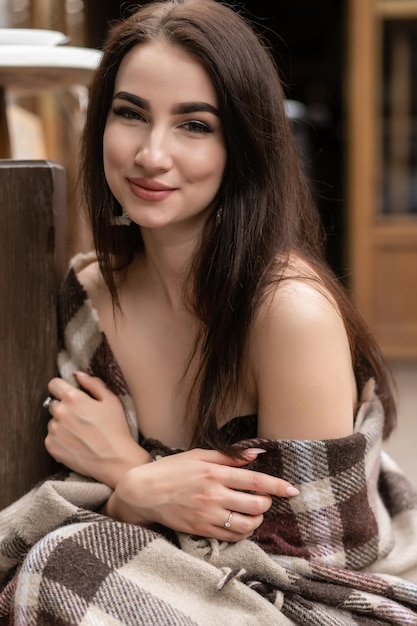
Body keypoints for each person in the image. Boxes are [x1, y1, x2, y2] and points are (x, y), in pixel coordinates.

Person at [1, 1, 417, 624]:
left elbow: (316, 572)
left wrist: (130, 476)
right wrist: (143, 498)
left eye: (195, 125)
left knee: (68, 564)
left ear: (242, 146)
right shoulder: (86, 293)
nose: (151, 154)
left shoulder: (287, 312)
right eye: (130, 114)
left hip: (316, 603)